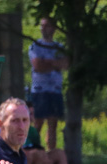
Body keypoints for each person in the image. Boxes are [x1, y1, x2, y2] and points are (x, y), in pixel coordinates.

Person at [29, 17, 68, 150]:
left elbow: (65, 64)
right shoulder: (35, 46)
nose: (44, 29)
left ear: (54, 28)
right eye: (42, 26)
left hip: (55, 90)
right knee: (37, 123)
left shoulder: (59, 47)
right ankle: (33, 150)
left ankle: (50, 153)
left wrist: (47, 62)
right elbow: (37, 65)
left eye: (47, 26)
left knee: (53, 125)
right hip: (39, 90)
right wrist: (54, 63)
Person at [23, 100, 69, 164]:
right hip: (25, 158)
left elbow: (39, 147)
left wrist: (45, 159)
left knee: (59, 153)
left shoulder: (33, 131)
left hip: (37, 157)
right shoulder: (18, 129)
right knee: (36, 155)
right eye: (29, 114)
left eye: (33, 114)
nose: (31, 117)